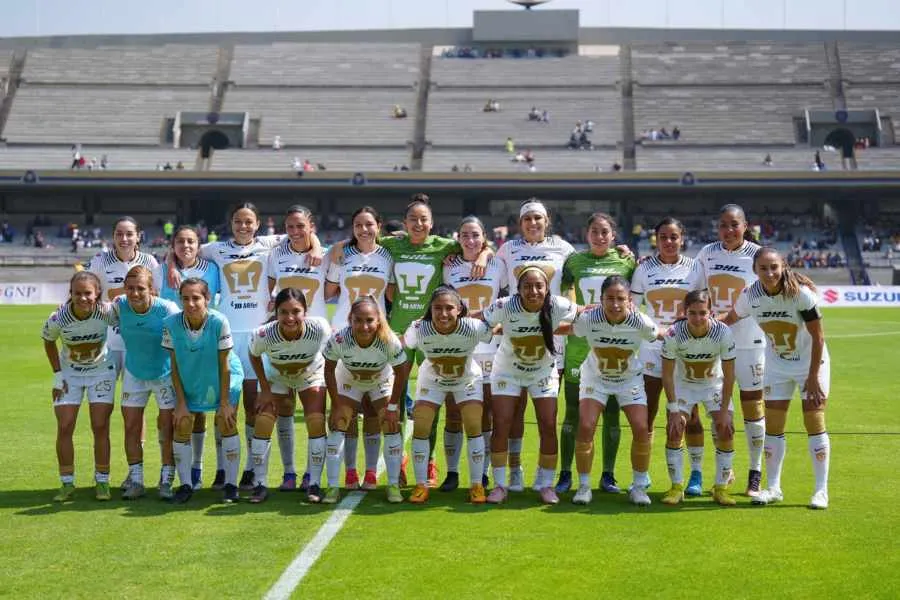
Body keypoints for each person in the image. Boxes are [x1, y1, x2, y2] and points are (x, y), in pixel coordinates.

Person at [168, 203, 322, 492]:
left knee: (255, 405)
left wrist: (314, 245)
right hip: (225, 335)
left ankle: (251, 469)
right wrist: (169, 262)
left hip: (258, 335)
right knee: (223, 405)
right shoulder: (216, 249)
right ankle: (221, 469)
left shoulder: (269, 244)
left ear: (258, 224)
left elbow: (303, 233)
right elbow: (184, 249)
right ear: (231, 224)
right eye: (238, 221)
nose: (243, 226)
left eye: (249, 221)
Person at [724, 247, 831, 509]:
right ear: (755, 270)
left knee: (814, 421)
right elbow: (730, 318)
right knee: (773, 426)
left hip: (810, 365)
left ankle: (821, 491)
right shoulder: (750, 295)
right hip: (777, 365)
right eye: (763, 268)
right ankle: (773, 488)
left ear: (783, 266)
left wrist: (813, 376)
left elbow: (818, 337)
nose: (769, 273)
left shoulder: (800, 294)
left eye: (774, 267)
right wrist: (700, 326)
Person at [495, 199, 575, 492]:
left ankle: (545, 480)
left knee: (547, 416)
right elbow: (489, 264)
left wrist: (623, 252)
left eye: (537, 218)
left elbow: (581, 272)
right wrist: (483, 255)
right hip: (516, 338)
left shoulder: (563, 248)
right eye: (527, 218)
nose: (532, 223)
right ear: (520, 223)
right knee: (513, 414)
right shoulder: (508, 249)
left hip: (552, 342)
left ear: (547, 221)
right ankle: (514, 472)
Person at [481, 267, 577, 505]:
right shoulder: (505, 305)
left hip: (542, 372)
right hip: (507, 371)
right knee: (501, 423)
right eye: (527, 286)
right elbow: (482, 320)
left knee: (548, 424)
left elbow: (584, 312)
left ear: (547, 288)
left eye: (538, 286)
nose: (533, 291)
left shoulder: (557, 305)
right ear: (518, 289)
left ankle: (545, 484)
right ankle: (500, 485)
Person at [557, 213, 636, 495]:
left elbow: (636, 295)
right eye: (594, 231)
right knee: (573, 413)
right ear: (586, 234)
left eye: (604, 232)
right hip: (579, 347)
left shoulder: (627, 261)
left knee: (612, 414)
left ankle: (608, 475)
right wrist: (574, 309)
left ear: (613, 235)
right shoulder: (574, 262)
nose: (599, 237)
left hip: (613, 347)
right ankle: (565, 474)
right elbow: (560, 289)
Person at [567, 276, 661, 506]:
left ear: (630, 300)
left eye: (621, 298)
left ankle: (639, 487)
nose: (615, 304)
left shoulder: (640, 321)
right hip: (595, 378)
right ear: (601, 299)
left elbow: (659, 334)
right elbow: (570, 330)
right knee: (586, 425)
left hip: (629, 380)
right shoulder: (588, 318)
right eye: (610, 298)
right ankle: (584, 486)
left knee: (641, 427)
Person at [694, 203, 766, 497]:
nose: (728, 230)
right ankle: (726, 469)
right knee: (719, 410)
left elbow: (776, 285)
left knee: (753, 409)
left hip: (750, 343)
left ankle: (755, 472)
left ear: (745, 226)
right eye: (723, 225)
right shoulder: (707, 253)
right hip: (715, 343)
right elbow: (694, 290)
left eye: (734, 224)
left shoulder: (757, 255)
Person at [630, 217, 705, 495]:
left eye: (674, 237)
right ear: (656, 239)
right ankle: (643, 475)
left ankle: (695, 474)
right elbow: (633, 308)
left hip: (685, 350)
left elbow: (702, 306)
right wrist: (655, 331)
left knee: (690, 415)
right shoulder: (643, 269)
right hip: (652, 349)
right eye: (663, 237)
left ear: (682, 238)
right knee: (647, 415)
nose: (669, 242)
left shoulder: (695, 268)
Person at [403, 286, 494, 504]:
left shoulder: (473, 327)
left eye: (449, 308)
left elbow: (493, 332)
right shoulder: (419, 328)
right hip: (432, 380)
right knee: (421, 426)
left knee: (473, 425)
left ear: (459, 309)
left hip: (466, 379)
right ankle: (421, 485)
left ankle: (476, 485)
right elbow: (402, 343)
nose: (443, 314)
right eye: (437, 308)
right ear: (430, 309)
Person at [324, 206, 394, 491]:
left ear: (379, 226)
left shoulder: (388, 255)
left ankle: (372, 473)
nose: (364, 230)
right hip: (344, 335)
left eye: (369, 224)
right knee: (347, 410)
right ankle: (351, 472)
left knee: (375, 411)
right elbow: (328, 292)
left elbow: (393, 293)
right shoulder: (342, 254)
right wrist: (336, 252)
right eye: (358, 225)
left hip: (378, 336)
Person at [266, 206, 329, 492]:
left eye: (301, 226)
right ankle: (289, 472)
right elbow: (271, 292)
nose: (295, 231)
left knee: (315, 416)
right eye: (290, 226)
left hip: (315, 342)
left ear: (311, 226)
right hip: (282, 339)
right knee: (284, 411)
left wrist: (315, 245)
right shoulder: (275, 255)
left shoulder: (325, 255)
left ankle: (312, 475)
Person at [165, 278, 245, 503]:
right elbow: (174, 365)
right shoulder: (170, 323)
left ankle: (231, 485)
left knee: (226, 422)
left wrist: (224, 404)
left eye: (196, 298)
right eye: (185, 298)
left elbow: (225, 365)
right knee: (182, 423)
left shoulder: (219, 321)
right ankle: (186, 486)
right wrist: (181, 404)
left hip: (223, 376)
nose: (190, 303)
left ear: (207, 299)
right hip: (191, 374)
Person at [248, 288, 331, 504]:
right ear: (276, 313)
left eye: (296, 311)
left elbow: (331, 355)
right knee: (263, 422)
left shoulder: (319, 328)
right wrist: (265, 390)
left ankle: (313, 482)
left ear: (305, 312)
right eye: (283, 312)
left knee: (316, 421)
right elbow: (253, 355)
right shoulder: (263, 334)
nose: (290, 317)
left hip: (310, 374)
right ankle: (261, 484)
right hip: (278, 376)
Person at [322, 297, 408, 504]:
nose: (364, 326)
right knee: (339, 421)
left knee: (390, 423)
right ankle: (335, 485)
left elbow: (402, 371)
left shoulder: (388, 340)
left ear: (378, 320)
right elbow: (329, 369)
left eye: (369, 320)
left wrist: (393, 407)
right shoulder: (339, 339)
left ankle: (392, 484)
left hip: (380, 380)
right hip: (349, 380)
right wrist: (336, 405)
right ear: (350, 319)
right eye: (358, 320)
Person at [443, 216, 508, 489]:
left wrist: (486, 253)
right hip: (458, 346)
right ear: (458, 238)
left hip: (490, 348)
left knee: (486, 413)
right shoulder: (448, 266)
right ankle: (452, 472)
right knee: (453, 411)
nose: (470, 240)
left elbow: (507, 300)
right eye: (465, 235)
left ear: (484, 238)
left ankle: (482, 473)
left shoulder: (497, 265)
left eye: (475, 235)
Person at [42, 271, 118, 502]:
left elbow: (128, 318)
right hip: (69, 375)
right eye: (77, 293)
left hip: (101, 372)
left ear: (97, 293)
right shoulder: (59, 318)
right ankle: (67, 483)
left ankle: (102, 481)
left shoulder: (106, 312)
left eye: (88, 293)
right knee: (65, 426)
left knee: (100, 425)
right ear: (71, 294)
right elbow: (48, 341)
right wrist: (57, 375)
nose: (83, 298)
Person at [157, 225, 221, 490]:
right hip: (170, 347)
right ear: (172, 245)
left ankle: (197, 467)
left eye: (191, 241)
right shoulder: (162, 270)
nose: (186, 246)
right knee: (171, 413)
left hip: (203, 346)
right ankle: (169, 471)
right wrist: (170, 264)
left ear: (198, 245)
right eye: (180, 241)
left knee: (199, 410)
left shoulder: (212, 269)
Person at [660, 290, 738, 507]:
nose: (697, 318)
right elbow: (667, 375)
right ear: (685, 312)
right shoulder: (674, 333)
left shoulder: (723, 332)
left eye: (702, 313)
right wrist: (673, 410)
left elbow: (730, 374)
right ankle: (676, 488)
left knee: (725, 428)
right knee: (674, 429)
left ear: (711, 313)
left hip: (713, 385)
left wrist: (724, 411)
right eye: (692, 313)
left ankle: (720, 488)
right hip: (684, 385)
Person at [113, 266, 180, 500]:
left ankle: (166, 480)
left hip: (164, 375)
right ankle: (136, 480)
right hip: (134, 373)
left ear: (151, 289)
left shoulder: (167, 309)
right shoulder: (119, 305)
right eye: (130, 288)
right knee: (131, 427)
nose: (135, 293)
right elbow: (95, 313)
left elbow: (183, 334)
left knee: (167, 429)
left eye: (140, 288)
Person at [86, 216, 160, 376]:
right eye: (119, 234)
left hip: (138, 339)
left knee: (132, 392)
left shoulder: (149, 261)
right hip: (107, 340)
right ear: (113, 236)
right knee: (102, 390)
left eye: (129, 234)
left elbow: (157, 296)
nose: (124, 239)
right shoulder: (99, 261)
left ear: (138, 236)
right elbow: (85, 289)